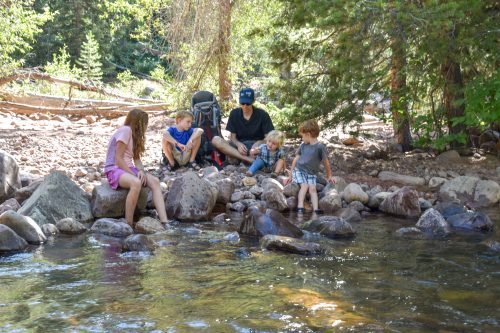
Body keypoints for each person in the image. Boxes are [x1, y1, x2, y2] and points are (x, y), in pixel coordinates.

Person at [104, 109, 168, 226]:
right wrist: (134, 175)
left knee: (155, 181)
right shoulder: (125, 130)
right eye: (144, 124)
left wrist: (141, 172)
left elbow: (137, 159)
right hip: (114, 168)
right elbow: (118, 158)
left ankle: (164, 221)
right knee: (136, 183)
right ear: (139, 123)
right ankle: (129, 223)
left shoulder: (135, 135)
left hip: (127, 168)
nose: (145, 127)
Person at [212, 87, 274, 164]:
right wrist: (238, 144)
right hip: (239, 147)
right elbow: (233, 138)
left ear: (253, 101)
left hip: (256, 147)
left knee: (268, 149)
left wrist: (260, 143)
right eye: (242, 103)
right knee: (216, 140)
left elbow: (270, 138)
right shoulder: (234, 113)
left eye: (248, 103)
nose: (244, 106)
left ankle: (240, 159)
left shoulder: (263, 115)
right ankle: (248, 160)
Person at [285, 120, 335, 214]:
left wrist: (329, 176)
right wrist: (291, 175)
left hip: (311, 173)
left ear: (308, 134)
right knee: (304, 186)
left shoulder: (320, 147)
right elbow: (296, 160)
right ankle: (300, 206)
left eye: (302, 136)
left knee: (312, 189)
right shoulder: (303, 146)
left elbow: (326, 163)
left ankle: (316, 209)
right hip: (299, 171)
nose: (302, 138)